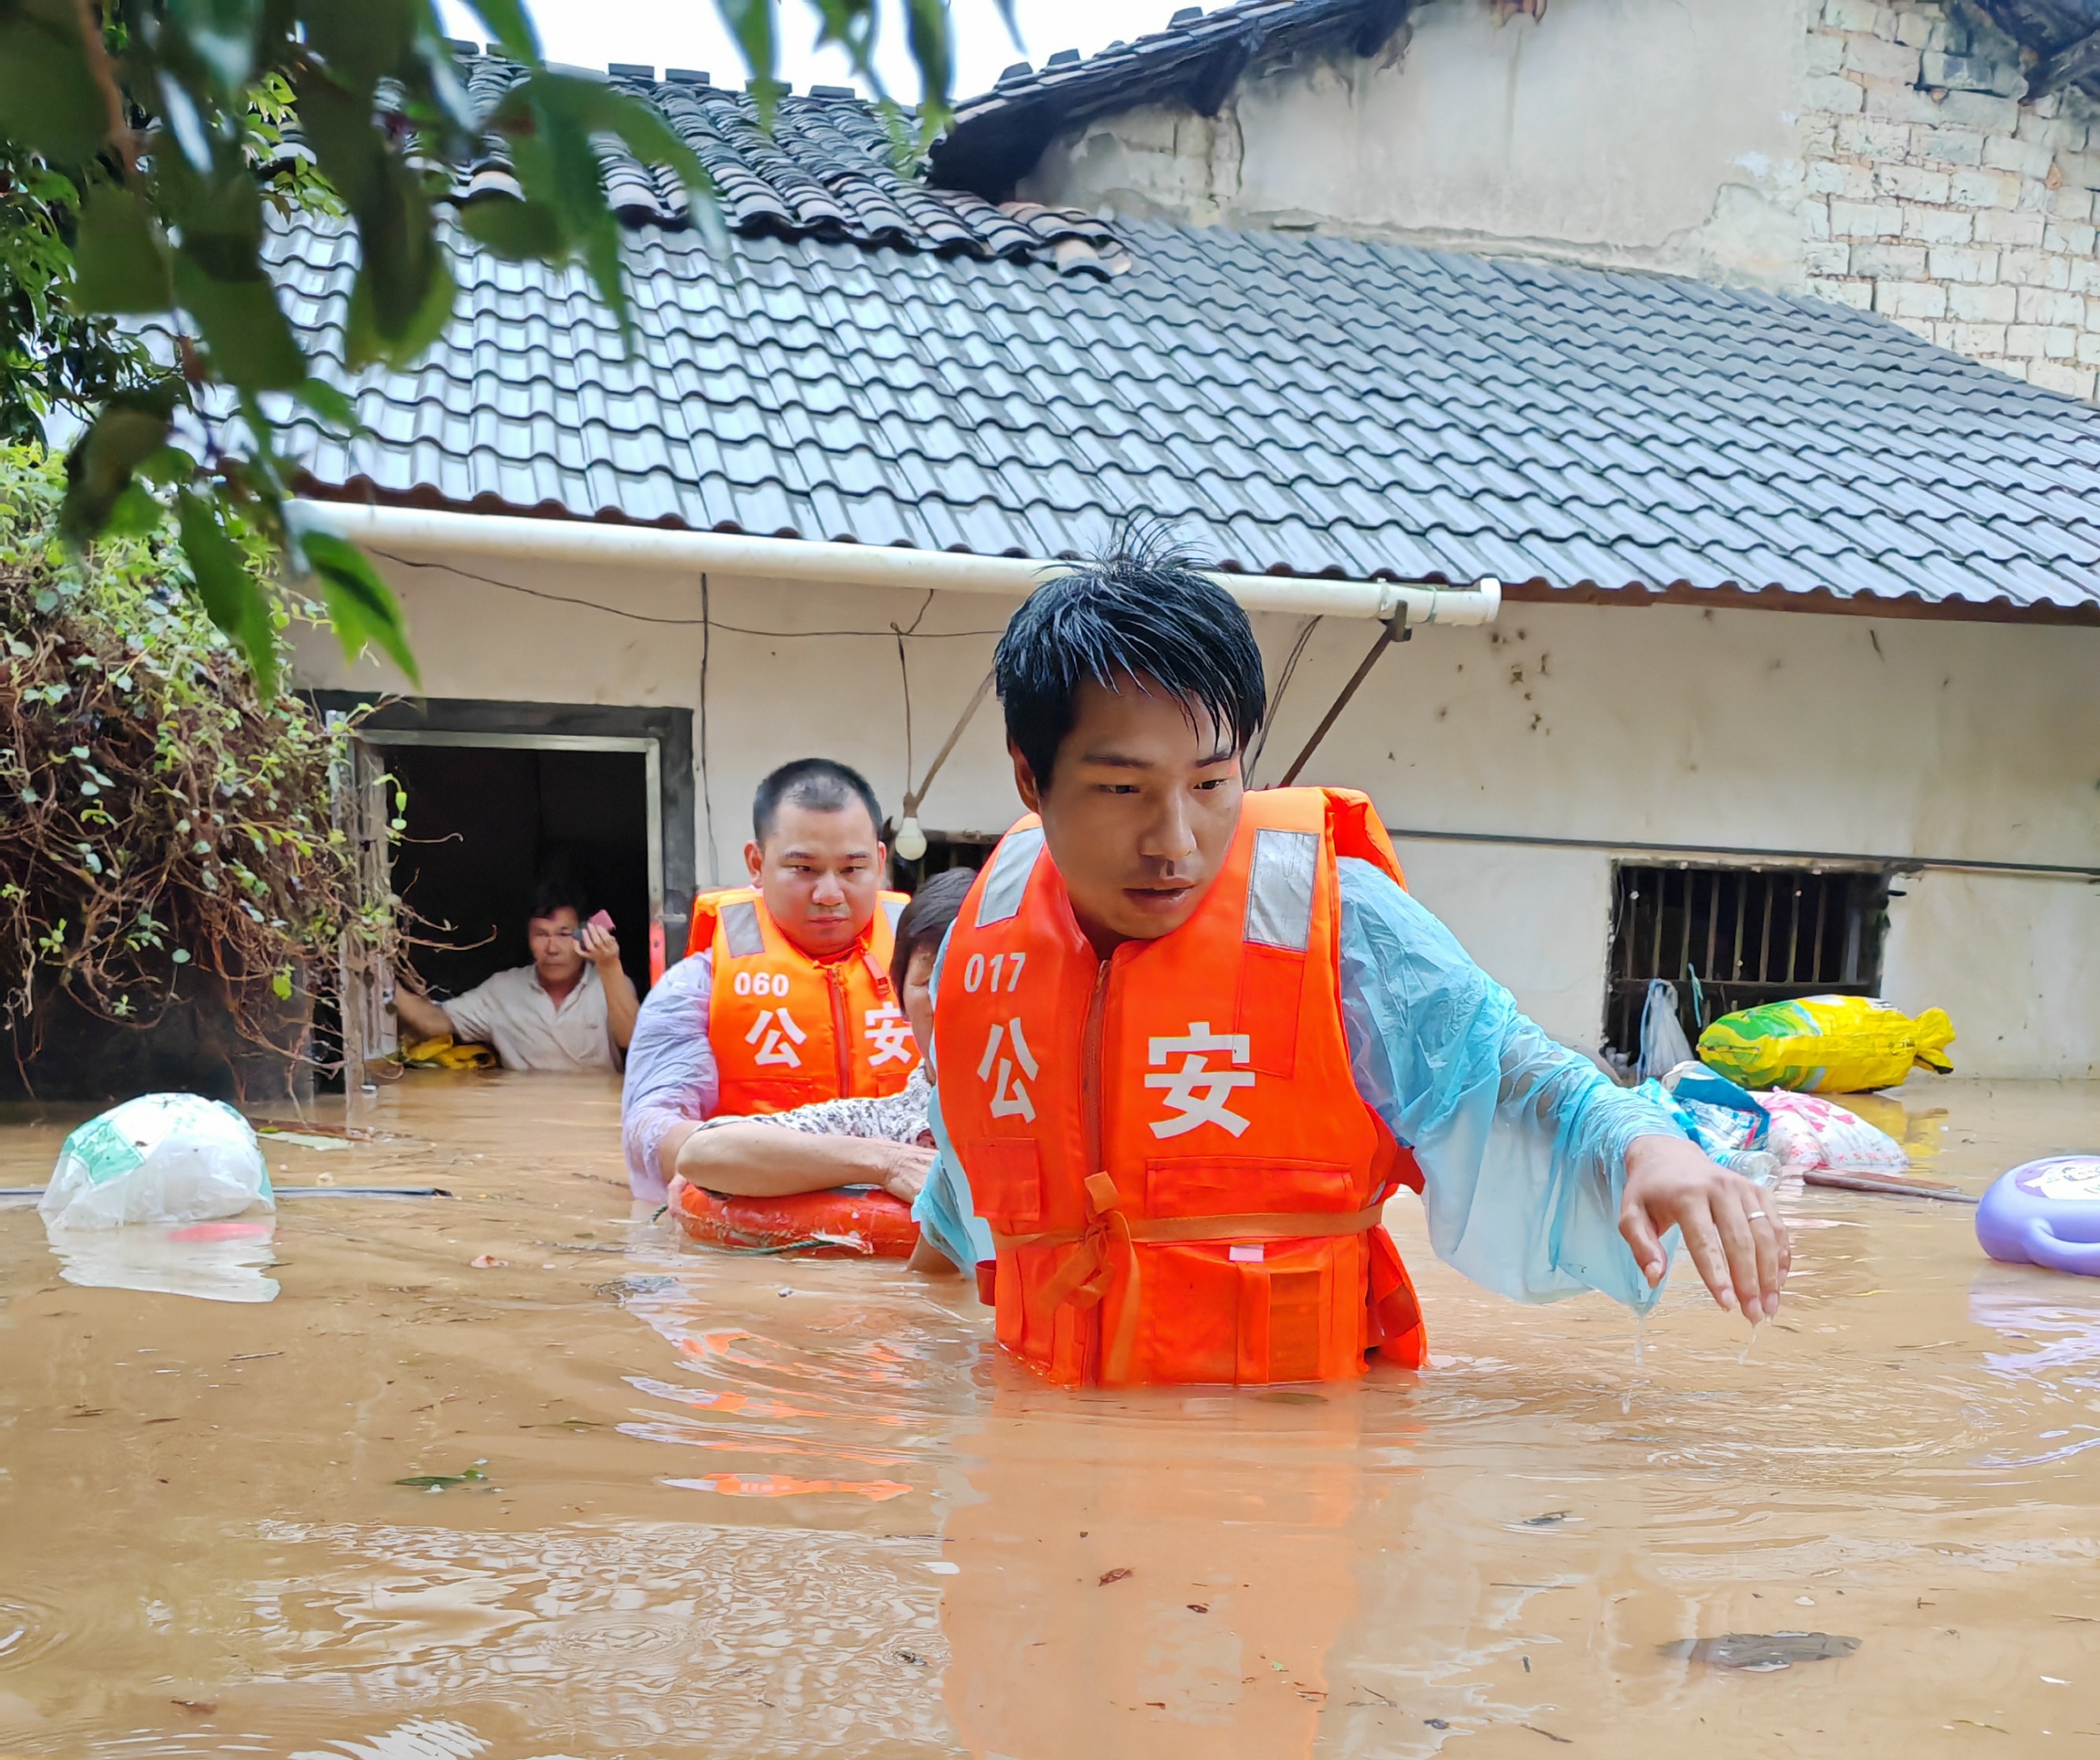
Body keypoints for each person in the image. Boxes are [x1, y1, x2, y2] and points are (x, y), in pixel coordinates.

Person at [910, 542, 1788, 1387]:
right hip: (1050, 1448)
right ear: (1030, 778)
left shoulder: (1331, 918)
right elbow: (970, 1179)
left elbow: (1500, 1065)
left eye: (1211, 784)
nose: (1173, 840)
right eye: (1120, 789)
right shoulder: (981, 944)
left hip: (1293, 1458)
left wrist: (1643, 1143)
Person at [621, 758, 919, 1201]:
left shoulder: (934, 974)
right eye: (804, 869)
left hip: (905, 1225)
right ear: (756, 864)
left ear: (879, 862)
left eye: (852, 869)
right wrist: (870, 1161)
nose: (830, 894)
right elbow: (651, 1136)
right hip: (753, 1229)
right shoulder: (692, 988)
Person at [662, 868, 972, 1208]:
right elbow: (703, 1153)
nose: (950, 1002)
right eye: (929, 981)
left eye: (975, 979)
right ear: (899, 998)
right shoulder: (875, 1124)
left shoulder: (1038, 1119)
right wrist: (888, 1162)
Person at [391, 871, 641, 1073]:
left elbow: (632, 1039)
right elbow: (435, 1023)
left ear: (583, 933)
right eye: (541, 935)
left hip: (592, 1117)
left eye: (564, 934)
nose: (552, 948)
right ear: (529, 939)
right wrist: (385, 982)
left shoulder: (609, 983)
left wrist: (609, 965)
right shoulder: (503, 990)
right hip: (524, 1120)